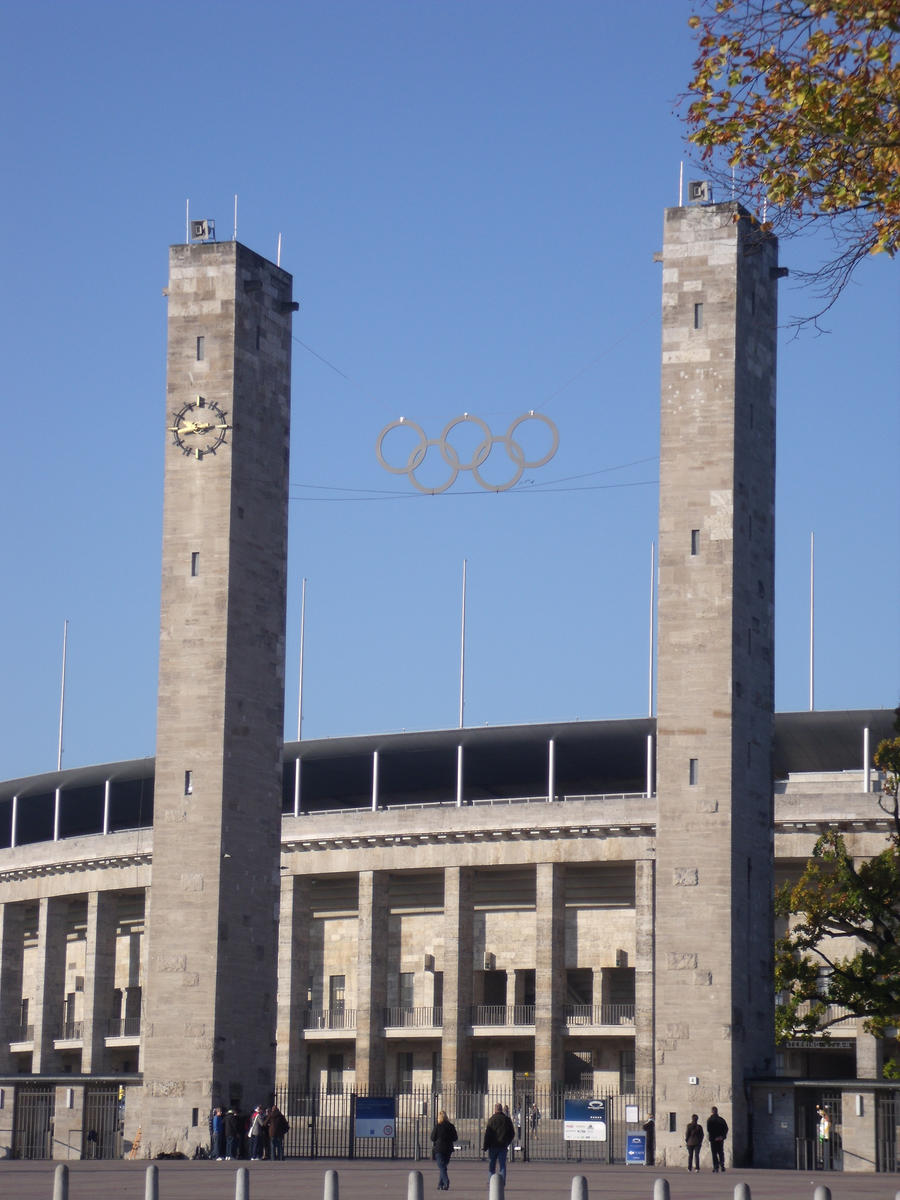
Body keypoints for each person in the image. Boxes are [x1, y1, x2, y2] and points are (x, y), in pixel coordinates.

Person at [483, 1102, 515, 1184]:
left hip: (493, 1146)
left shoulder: (491, 1119)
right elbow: (512, 1133)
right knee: (502, 1165)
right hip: (503, 1145)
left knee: (492, 1165)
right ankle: (502, 1182)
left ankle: (491, 1181)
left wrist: (485, 1146)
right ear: (502, 1110)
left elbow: (488, 1134)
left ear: (495, 1110)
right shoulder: (506, 1120)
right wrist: (507, 1142)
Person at [430, 1109, 458, 1191]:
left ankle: (446, 1181)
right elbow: (455, 1138)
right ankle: (440, 1185)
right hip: (448, 1148)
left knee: (441, 1166)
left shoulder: (438, 1126)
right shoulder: (451, 1126)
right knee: (443, 1166)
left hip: (439, 1148)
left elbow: (432, 1138)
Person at [707, 1106, 728, 1173]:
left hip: (713, 1139)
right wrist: (722, 1136)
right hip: (720, 1138)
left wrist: (714, 1137)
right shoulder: (721, 1119)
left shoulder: (710, 1120)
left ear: (712, 1112)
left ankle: (716, 1167)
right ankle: (722, 1165)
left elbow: (709, 1129)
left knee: (714, 1153)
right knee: (721, 1152)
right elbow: (726, 1128)